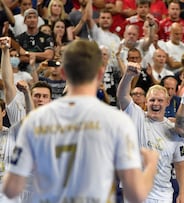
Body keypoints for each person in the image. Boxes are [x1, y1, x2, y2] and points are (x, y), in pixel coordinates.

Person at [1, 39, 159, 202]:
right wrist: (151, 164)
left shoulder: (34, 120)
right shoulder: (117, 122)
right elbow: (136, 194)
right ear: (99, 74)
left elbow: (11, 189)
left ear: (63, 73)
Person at [117, 63, 184, 203]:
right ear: (146, 102)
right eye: (152, 100)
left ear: (167, 102)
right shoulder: (136, 115)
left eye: (160, 100)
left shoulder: (173, 129)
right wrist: (128, 75)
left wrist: (183, 193)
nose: (156, 103)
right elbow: (122, 96)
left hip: (163, 194)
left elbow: (180, 165)